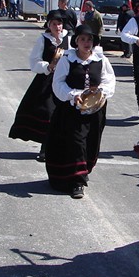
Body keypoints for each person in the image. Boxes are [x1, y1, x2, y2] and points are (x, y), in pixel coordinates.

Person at [45, 24, 116, 199]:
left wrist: (100, 93)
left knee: (91, 143)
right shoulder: (67, 59)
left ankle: (83, 171)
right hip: (72, 110)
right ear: (76, 41)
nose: (86, 42)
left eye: (89, 39)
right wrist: (73, 95)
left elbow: (109, 81)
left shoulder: (101, 60)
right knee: (77, 143)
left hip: (96, 111)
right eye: (83, 39)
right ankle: (77, 182)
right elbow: (58, 83)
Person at [8, 10, 70, 162]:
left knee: (64, 115)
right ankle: (45, 147)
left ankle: (61, 148)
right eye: (54, 24)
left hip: (65, 81)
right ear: (49, 25)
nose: (57, 26)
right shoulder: (43, 39)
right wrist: (47, 67)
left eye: (59, 23)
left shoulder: (69, 38)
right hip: (47, 81)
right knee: (48, 113)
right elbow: (34, 61)